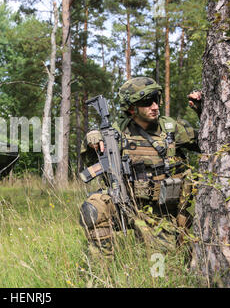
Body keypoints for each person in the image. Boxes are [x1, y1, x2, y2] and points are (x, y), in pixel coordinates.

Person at [79, 76, 202, 256]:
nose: (155, 106)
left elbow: (207, 141)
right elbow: (91, 160)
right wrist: (90, 140)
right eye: (147, 102)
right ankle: (101, 272)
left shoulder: (171, 128)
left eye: (156, 99)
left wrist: (202, 112)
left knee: (160, 268)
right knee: (94, 208)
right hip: (126, 205)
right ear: (131, 108)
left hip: (160, 214)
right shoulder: (116, 132)